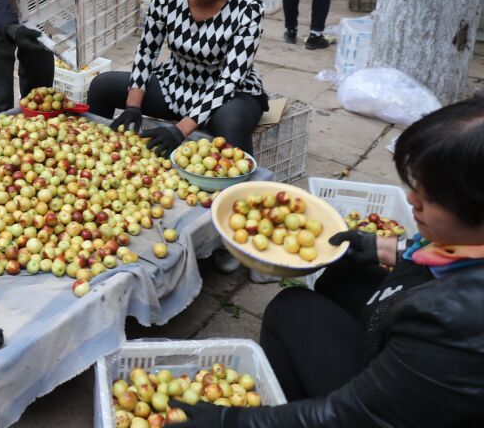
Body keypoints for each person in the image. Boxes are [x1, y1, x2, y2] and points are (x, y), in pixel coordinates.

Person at [176, 96, 484, 428]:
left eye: (431, 196)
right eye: (415, 186)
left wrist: (232, 420)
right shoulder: (466, 254)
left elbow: (355, 415)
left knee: (290, 307)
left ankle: (283, 404)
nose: (412, 200)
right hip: (422, 360)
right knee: (342, 274)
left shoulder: (454, 321)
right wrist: (385, 247)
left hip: (398, 411)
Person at [88, 0, 268, 158]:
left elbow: (230, 80)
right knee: (102, 85)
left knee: (232, 123)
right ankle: (96, 154)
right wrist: (133, 105)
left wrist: (179, 130)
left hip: (227, 94)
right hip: (175, 84)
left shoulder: (248, 7)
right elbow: (147, 49)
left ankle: (236, 191)